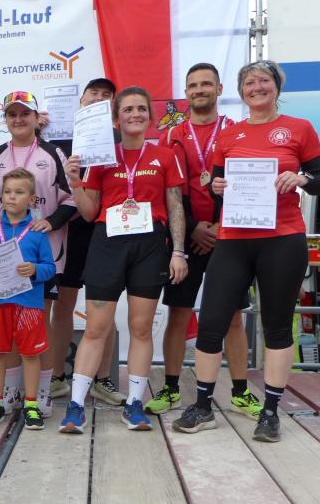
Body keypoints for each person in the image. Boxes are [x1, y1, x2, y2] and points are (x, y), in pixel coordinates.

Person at [172, 60, 320, 442]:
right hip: (234, 240)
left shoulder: (299, 128)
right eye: (249, 82)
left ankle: (270, 412)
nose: (257, 87)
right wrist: (217, 189)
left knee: (276, 326)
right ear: (241, 92)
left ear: (276, 87)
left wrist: (301, 178)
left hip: (282, 239)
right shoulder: (230, 135)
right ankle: (203, 406)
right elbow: (217, 188)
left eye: (264, 81)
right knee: (212, 323)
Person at [61, 87, 188, 433]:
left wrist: (178, 251)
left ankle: (134, 404)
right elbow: (89, 212)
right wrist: (75, 183)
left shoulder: (165, 155)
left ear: (150, 116)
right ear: (117, 119)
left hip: (150, 246)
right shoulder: (101, 157)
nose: (135, 114)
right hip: (108, 244)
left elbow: (175, 205)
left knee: (141, 327)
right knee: (96, 327)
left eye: (141, 109)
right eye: (128, 109)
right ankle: (75, 406)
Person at [146, 63, 261, 418]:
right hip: (186, 239)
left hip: (228, 237)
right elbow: (165, 191)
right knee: (178, 314)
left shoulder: (237, 131)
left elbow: (248, 188)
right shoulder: (171, 135)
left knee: (233, 318)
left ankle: (240, 392)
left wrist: (217, 228)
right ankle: (170, 388)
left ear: (219, 88)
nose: (199, 90)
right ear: (186, 92)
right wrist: (194, 227)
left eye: (206, 84)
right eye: (193, 85)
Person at [0, 90, 74, 418]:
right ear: (5, 119)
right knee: (9, 325)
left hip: (42, 254)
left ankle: (43, 393)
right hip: (3, 259)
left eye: (25, 113)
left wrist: (51, 222)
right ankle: (10, 392)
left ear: (37, 118)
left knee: (38, 323)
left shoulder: (53, 154)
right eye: (12, 114)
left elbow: (71, 199)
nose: (19, 119)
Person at [48, 78, 126, 407]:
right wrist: (38, 130)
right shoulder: (58, 139)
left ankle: (102, 380)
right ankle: (56, 378)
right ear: (81, 100)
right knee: (64, 305)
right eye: (93, 93)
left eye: (106, 95)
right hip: (71, 231)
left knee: (104, 308)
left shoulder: (121, 140)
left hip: (105, 230)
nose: (98, 98)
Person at [0, 168, 56, 430]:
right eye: (7, 192)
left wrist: (34, 270)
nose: (12, 197)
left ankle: (31, 404)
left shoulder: (37, 232)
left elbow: (50, 268)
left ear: (32, 199)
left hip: (29, 303)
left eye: (19, 192)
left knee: (30, 355)